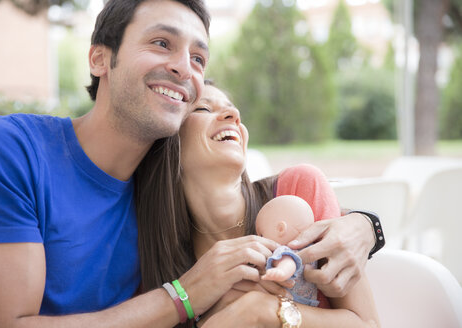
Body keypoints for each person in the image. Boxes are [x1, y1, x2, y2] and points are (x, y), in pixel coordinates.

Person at [0, 0, 381, 326]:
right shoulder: (9, 150)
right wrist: (184, 295)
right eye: (161, 43)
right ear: (99, 59)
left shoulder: (158, 202)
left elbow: (312, 218)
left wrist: (367, 226)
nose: (184, 67)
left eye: (199, 58)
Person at [135, 82, 381, 327]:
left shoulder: (297, 190)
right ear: (165, 143)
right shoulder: (155, 258)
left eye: (232, 109)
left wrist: (260, 310)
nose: (234, 115)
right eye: (202, 109)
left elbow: (368, 324)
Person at [256, 195, 320, 307]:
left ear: (280, 229)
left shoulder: (282, 250)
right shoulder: (313, 248)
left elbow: (288, 263)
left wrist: (281, 271)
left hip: (291, 300)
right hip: (311, 302)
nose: (259, 239)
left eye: (261, 234)